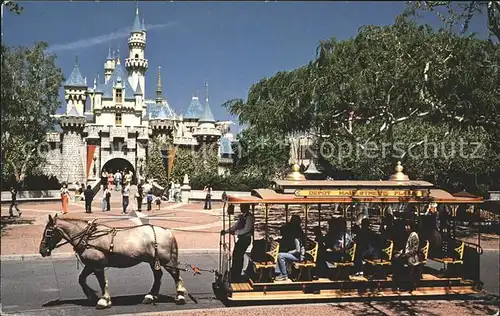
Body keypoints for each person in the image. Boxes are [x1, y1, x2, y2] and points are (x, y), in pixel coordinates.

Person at [220, 204, 254, 281]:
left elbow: (246, 229)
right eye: (241, 207)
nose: (241, 208)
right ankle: (235, 272)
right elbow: (235, 226)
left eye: (242, 207)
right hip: (241, 239)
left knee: (238, 255)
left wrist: (236, 233)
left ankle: (237, 274)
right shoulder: (242, 217)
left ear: (246, 207)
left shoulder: (249, 217)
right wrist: (226, 231)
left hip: (246, 239)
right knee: (235, 254)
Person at [392, 220, 424, 290]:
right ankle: (398, 282)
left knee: (399, 262)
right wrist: (400, 253)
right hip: (408, 254)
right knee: (396, 259)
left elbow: (414, 250)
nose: (406, 227)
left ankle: (404, 284)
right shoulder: (409, 234)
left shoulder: (414, 235)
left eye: (407, 226)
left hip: (413, 256)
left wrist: (405, 255)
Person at [274, 215, 304, 281]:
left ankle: (284, 275)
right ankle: (278, 272)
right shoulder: (296, 233)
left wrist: (290, 252)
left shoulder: (296, 237)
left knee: (280, 255)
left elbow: (298, 250)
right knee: (280, 252)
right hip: (297, 254)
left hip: (299, 256)